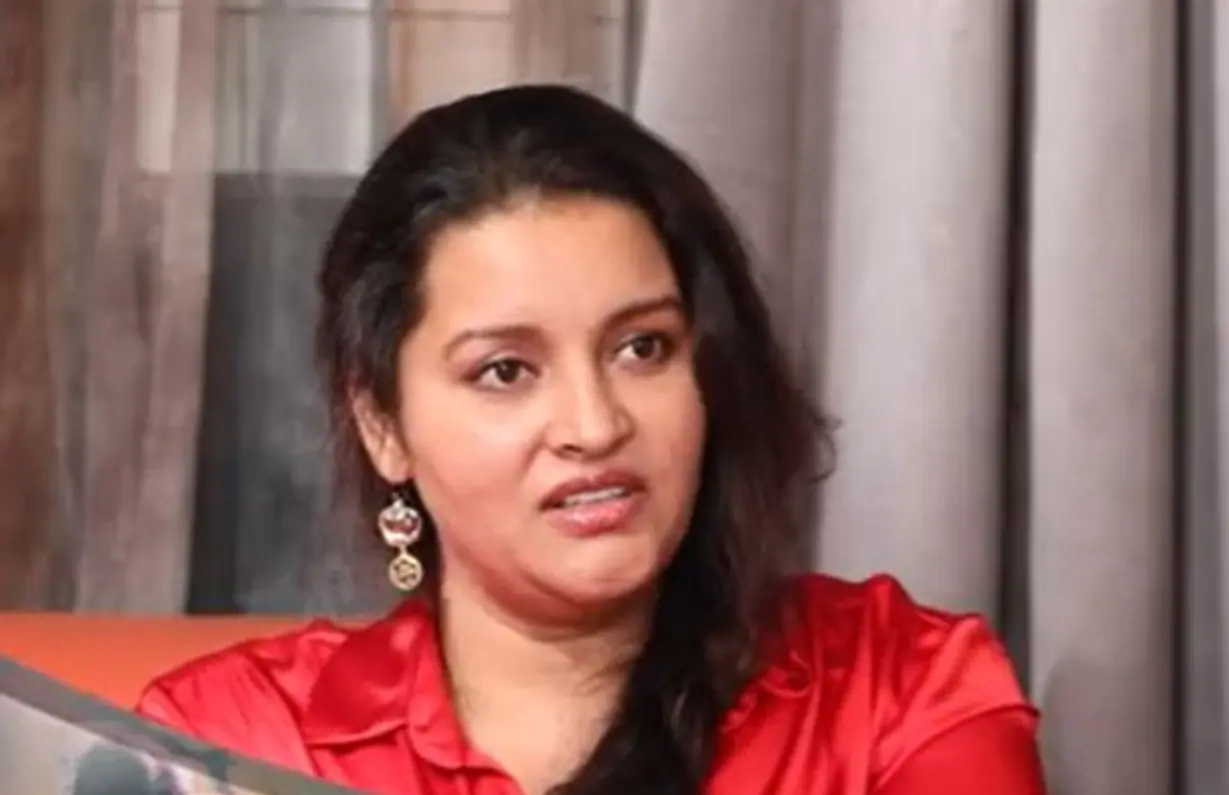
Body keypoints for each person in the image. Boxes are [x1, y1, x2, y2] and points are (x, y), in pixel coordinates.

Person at [134, 84, 1046, 795]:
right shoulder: (228, 742)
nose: (595, 424)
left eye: (641, 348)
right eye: (505, 370)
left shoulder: (898, 691)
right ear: (383, 424)